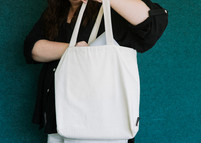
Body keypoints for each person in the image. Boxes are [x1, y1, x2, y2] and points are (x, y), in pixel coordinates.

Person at [24, 0, 168, 142]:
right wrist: (74, 50)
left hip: (99, 118)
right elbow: (33, 49)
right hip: (58, 114)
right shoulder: (57, 11)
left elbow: (154, 22)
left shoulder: (109, 11)